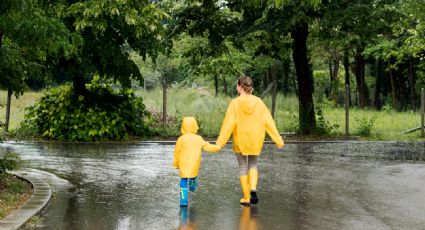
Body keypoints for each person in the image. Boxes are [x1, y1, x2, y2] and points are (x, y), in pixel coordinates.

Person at [216, 75, 284, 205]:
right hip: (255, 138)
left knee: (242, 166)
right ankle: (253, 189)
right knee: (253, 164)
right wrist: (278, 139)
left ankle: (246, 197)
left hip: (241, 138)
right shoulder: (258, 102)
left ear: (240, 87)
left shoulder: (235, 103)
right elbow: (268, 121)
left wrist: (220, 143)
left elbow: (228, 124)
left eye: (237, 85)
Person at [173, 117, 221, 206]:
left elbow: (177, 152)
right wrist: (217, 147)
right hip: (194, 163)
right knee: (193, 176)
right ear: (195, 126)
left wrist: (176, 163)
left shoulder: (181, 139)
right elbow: (207, 146)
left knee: (183, 180)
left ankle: (183, 200)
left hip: (183, 163)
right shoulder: (198, 138)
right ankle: (192, 186)